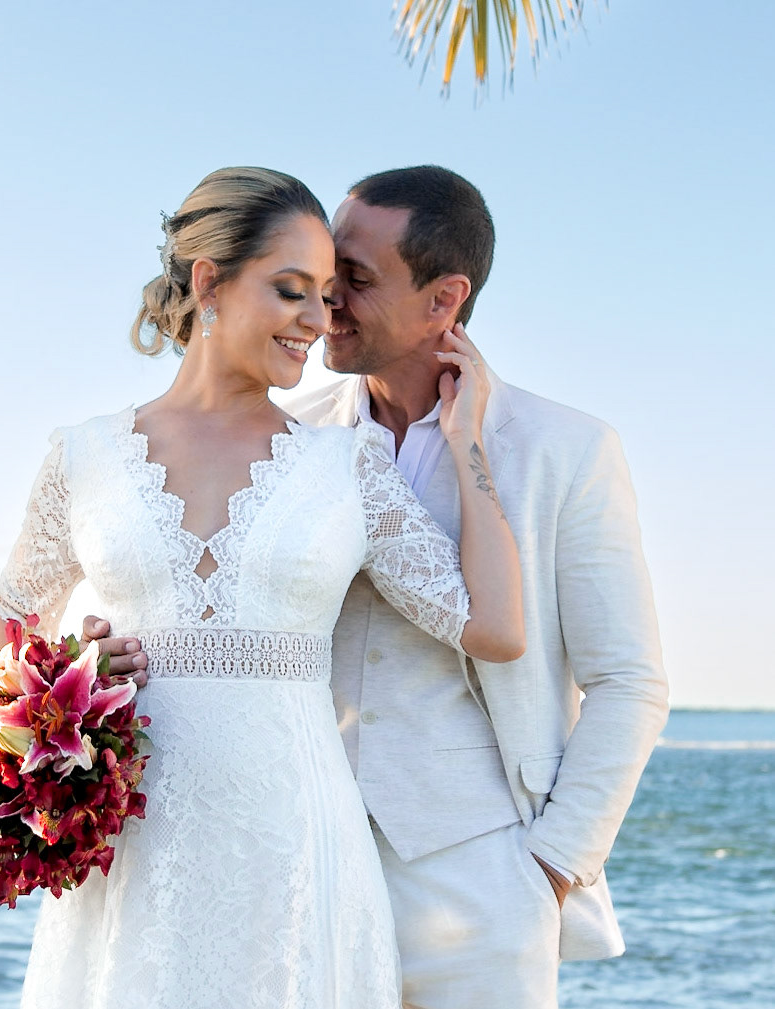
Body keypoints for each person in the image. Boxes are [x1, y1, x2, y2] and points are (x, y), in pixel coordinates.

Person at [86, 166, 670, 1009]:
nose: (326, 306)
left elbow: (630, 680)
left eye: (353, 282)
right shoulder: (290, 432)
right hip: (293, 868)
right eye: (322, 280)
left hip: (480, 881)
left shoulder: (563, 449)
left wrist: (549, 867)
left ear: (444, 300)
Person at [0, 166, 526, 1009]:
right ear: (209, 282)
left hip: (296, 857)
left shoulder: (347, 464)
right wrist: (69, 674)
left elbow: (493, 628)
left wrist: (468, 442)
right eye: (292, 292)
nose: (319, 321)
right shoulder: (81, 454)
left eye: (326, 294)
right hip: (134, 850)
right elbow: (8, 622)